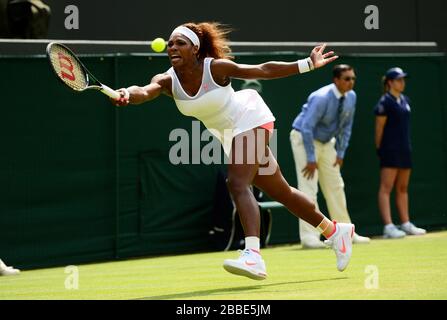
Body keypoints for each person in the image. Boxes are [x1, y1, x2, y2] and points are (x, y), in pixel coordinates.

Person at [112, 22, 355, 280]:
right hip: (230, 135)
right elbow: (145, 92)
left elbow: (261, 70)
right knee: (281, 191)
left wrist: (307, 63)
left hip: (249, 116)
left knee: (237, 183)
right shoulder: (166, 80)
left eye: (180, 42)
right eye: (170, 43)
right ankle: (335, 231)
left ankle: (253, 255)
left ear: (195, 48)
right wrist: (127, 92)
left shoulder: (215, 67)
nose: (172, 47)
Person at [290, 64, 370, 249]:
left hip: (327, 144)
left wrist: (340, 152)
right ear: (336, 80)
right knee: (308, 189)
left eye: (353, 79)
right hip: (304, 139)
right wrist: (311, 158)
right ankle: (309, 237)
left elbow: (347, 127)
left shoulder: (351, 97)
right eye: (347, 79)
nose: (351, 82)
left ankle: (346, 232)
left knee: (336, 185)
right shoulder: (321, 98)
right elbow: (307, 128)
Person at [374, 67, 426, 238]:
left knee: (403, 188)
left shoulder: (405, 100)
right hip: (389, 150)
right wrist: (380, 149)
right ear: (390, 82)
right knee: (386, 188)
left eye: (403, 79)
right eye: (398, 80)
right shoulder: (384, 102)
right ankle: (388, 226)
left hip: (405, 150)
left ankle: (405, 223)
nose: (402, 83)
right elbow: (379, 129)